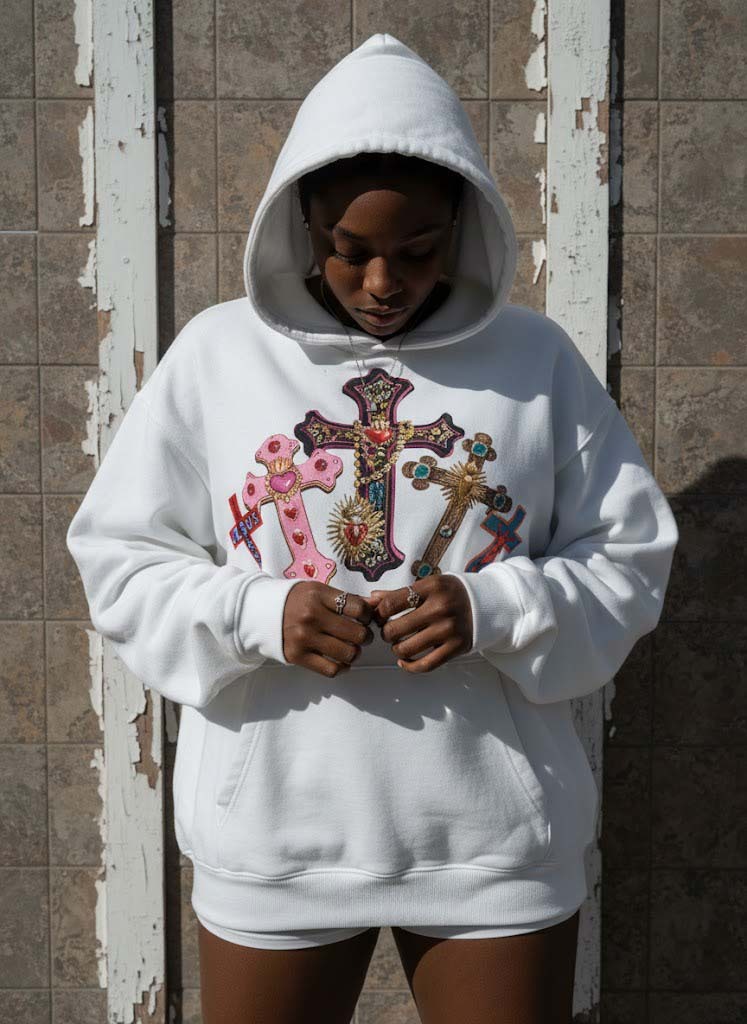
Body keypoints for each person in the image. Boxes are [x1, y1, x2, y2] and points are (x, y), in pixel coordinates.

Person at [66, 32, 679, 1024]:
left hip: (491, 841)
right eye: (350, 251)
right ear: (302, 226)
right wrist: (255, 613)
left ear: (462, 226)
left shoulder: (534, 361)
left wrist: (494, 607)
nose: (383, 282)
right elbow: (119, 558)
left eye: (417, 250)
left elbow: (629, 556)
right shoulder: (218, 357)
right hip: (277, 836)